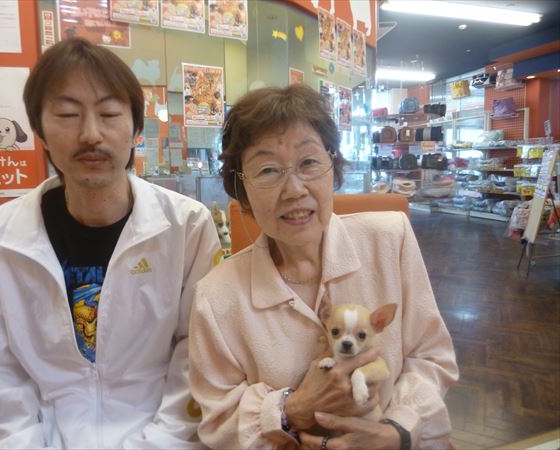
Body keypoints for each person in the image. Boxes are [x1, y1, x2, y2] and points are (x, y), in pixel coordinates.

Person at [0, 37, 221, 449]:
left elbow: (198, 354)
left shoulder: (187, 226)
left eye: (109, 114)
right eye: (67, 114)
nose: (90, 134)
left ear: (136, 129)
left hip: (158, 435)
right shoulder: (3, 237)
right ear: (40, 132)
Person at [188, 84, 459, 450]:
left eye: (309, 162)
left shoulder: (390, 240)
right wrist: (291, 410)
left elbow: (431, 357)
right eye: (268, 170)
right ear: (242, 189)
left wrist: (398, 430)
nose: (294, 189)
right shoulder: (216, 297)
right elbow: (218, 422)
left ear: (333, 166)